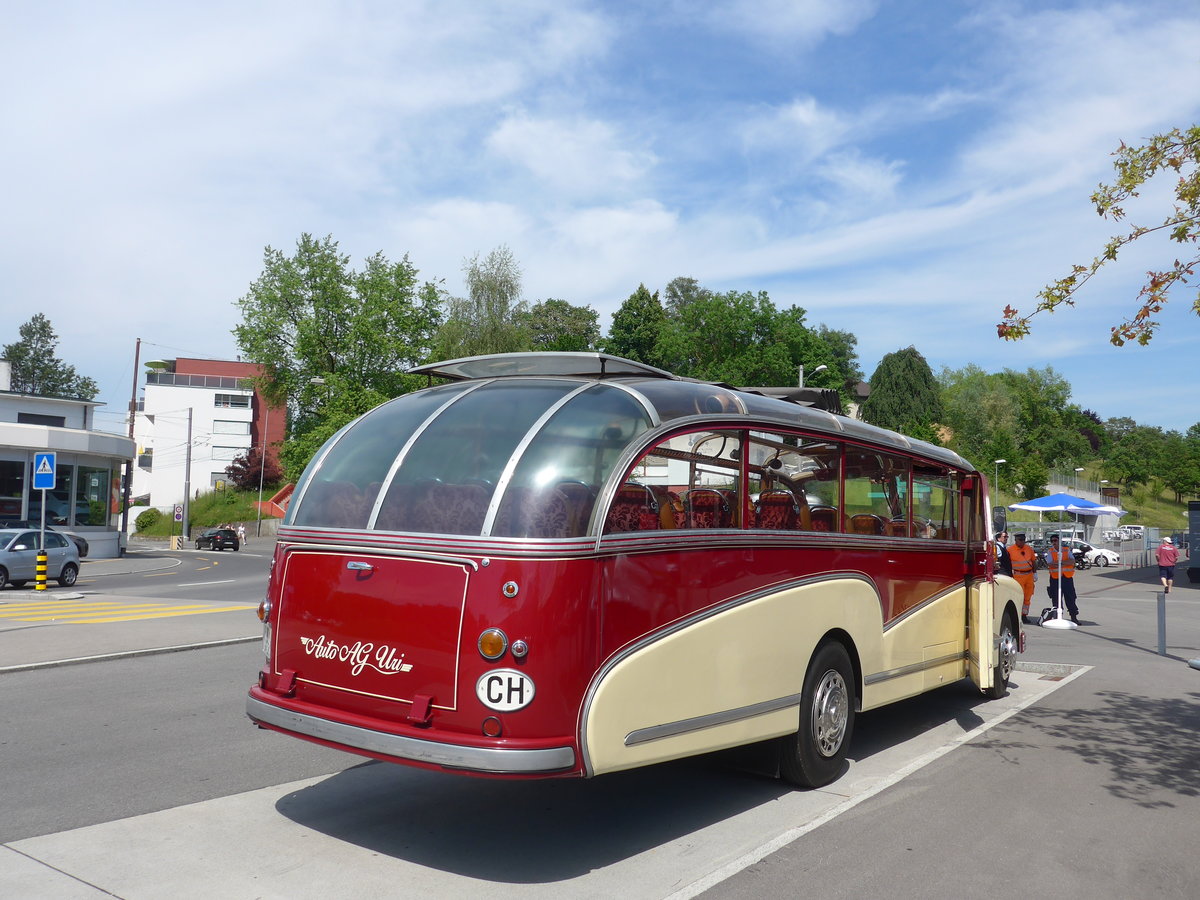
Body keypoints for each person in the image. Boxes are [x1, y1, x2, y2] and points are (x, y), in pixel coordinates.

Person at [1045, 534, 1080, 624]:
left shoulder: (1066, 550)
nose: (1054, 542)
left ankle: (1073, 616)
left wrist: (1060, 562)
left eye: (1055, 540)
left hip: (1067, 577)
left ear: (1059, 541)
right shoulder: (1050, 551)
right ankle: (1057, 617)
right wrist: (1064, 563)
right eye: (1052, 541)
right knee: (1056, 597)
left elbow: (1072, 561)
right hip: (1055, 578)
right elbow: (1050, 563)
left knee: (1071, 597)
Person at [1009, 532, 1038, 624]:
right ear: (1015, 540)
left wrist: (1035, 573)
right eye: (1020, 539)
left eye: (1024, 539)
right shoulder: (1010, 550)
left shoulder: (1029, 549)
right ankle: (1017, 615)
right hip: (1018, 576)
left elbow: (1033, 561)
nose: (1022, 542)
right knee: (1018, 597)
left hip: (1029, 575)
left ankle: (1024, 615)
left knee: (1027, 597)